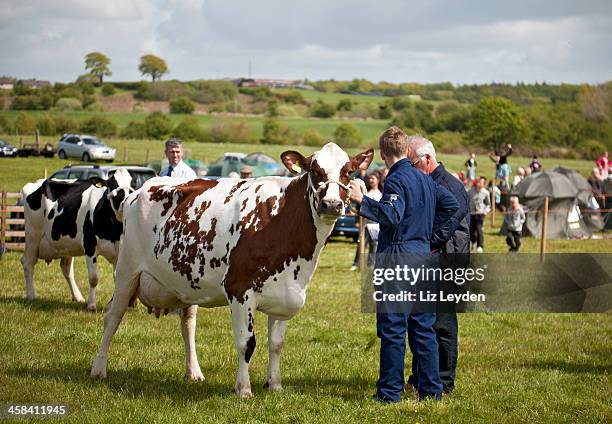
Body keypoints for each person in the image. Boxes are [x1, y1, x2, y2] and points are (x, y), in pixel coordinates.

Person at [348, 126, 459, 403]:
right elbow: (451, 205)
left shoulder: (396, 180)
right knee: (423, 327)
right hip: (423, 256)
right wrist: (428, 235)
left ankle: (389, 392)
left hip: (398, 258)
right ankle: (432, 391)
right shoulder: (426, 179)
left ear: (383, 153)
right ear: (406, 150)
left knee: (393, 327)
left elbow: (392, 215)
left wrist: (361, 201)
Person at [405, 135, 470, 396]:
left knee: (442, 325)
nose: (410, 169)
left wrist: (415, 242)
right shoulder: (423, 182)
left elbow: (441, 231)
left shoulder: (452, 187)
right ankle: (420, 377)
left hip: (447, 263)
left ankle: (444, 383)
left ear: (428, 159)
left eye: (413, 163)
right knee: (420, 324)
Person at [351, 171, 384, 271]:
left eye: (373, 178)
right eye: (369, 178)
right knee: (361, 244)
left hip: (376, 225)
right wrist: (357, 220)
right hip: (365, 224)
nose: (370, 180)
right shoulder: (366, 193)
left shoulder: (381, 194)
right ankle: (356, 263)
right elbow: (359, 207)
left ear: (378, 180)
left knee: (374, 245)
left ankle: (371, 264)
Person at [469, 177, 490, 253]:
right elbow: (467, 200)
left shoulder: (486, 193)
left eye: (481, 182)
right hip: (471, 213)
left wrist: (485, 212)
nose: (479, 183)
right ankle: (474, 242)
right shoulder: (471, 191)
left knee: (479, 230)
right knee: (471, 231)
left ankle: (480, 246)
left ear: (483, 184)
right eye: (478, 182)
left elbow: (488, 204)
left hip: (480, 213)